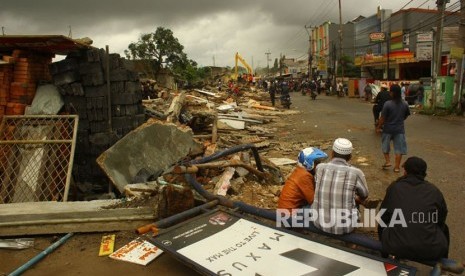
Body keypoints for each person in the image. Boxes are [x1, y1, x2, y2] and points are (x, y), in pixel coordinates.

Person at [378, 156, 449, 261]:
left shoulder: (395, 187)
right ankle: (444, 264)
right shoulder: (434, 191)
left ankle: (384, 255)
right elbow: (442, 216)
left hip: (394, 246)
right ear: (424, 173)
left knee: (385, 222)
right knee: (445, 229)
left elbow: (383, 216)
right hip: (430, 249)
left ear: (405, 171)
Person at [311, 138, 369, 235]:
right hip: (345, 228)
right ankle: (350, 241)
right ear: (350, 156)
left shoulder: (320, 168)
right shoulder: (356, 172)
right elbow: (365, 194)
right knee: (355, 200)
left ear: (332, 153)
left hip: (318, 222)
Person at [278, 147, 328, 212]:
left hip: (287, 210)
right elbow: (313, 201)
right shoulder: (305, 176)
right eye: (317, 163)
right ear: (309, 163)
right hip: (289, 214)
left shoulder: (300, 171)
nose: (319, 166)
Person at [376, 84, 411, 173]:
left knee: (385, 146)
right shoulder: (405, 104)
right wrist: (400, 120)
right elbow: (406, 115)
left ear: (392, 93)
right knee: (399, 149)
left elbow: (382, 118)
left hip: (387, 129)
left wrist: (378, 127)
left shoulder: (388, 104)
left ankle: (388, 161)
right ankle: (397, 167)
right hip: (399, 130)